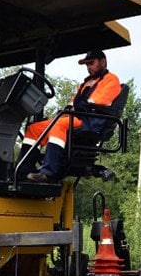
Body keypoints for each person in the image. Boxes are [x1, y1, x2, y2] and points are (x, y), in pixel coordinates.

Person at [23, 49, 121, 183]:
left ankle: (48, 173)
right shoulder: (87, 83)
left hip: (91, 120)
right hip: (77, 116)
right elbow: (73, 103)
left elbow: (95, 102)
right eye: (87, 65)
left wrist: (75, 107)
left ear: (102, 62)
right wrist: (68, 109)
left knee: (59, 125)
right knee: (34, 128)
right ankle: (23, 170)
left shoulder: (111, 80)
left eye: (91, 63)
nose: (89, 67)